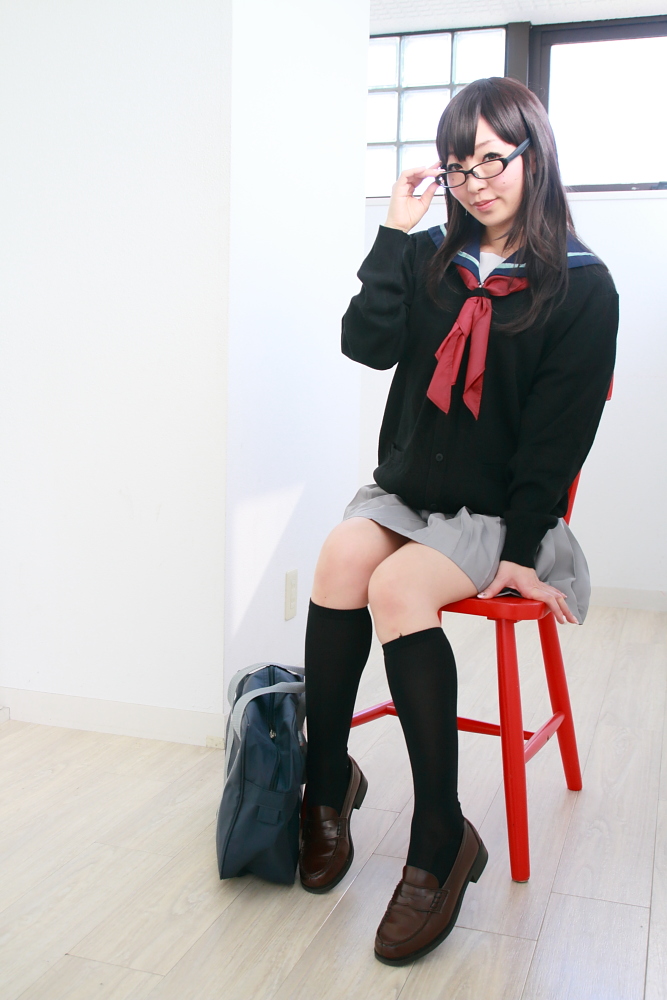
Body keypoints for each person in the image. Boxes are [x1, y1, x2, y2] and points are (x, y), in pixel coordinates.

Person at [298, 76, 618, 965]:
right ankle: (327, 781)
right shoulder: (432, 261)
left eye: (490, 159)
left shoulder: (581, 287)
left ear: (532, 156)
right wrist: (394, 233)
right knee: (339, 558)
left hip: (497, 511)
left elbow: (559, 436)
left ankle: (440, 836)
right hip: (408, 490)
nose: (474, 181)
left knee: (398, 587)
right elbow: (365, 345)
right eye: (456, 166)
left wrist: (523, 547)